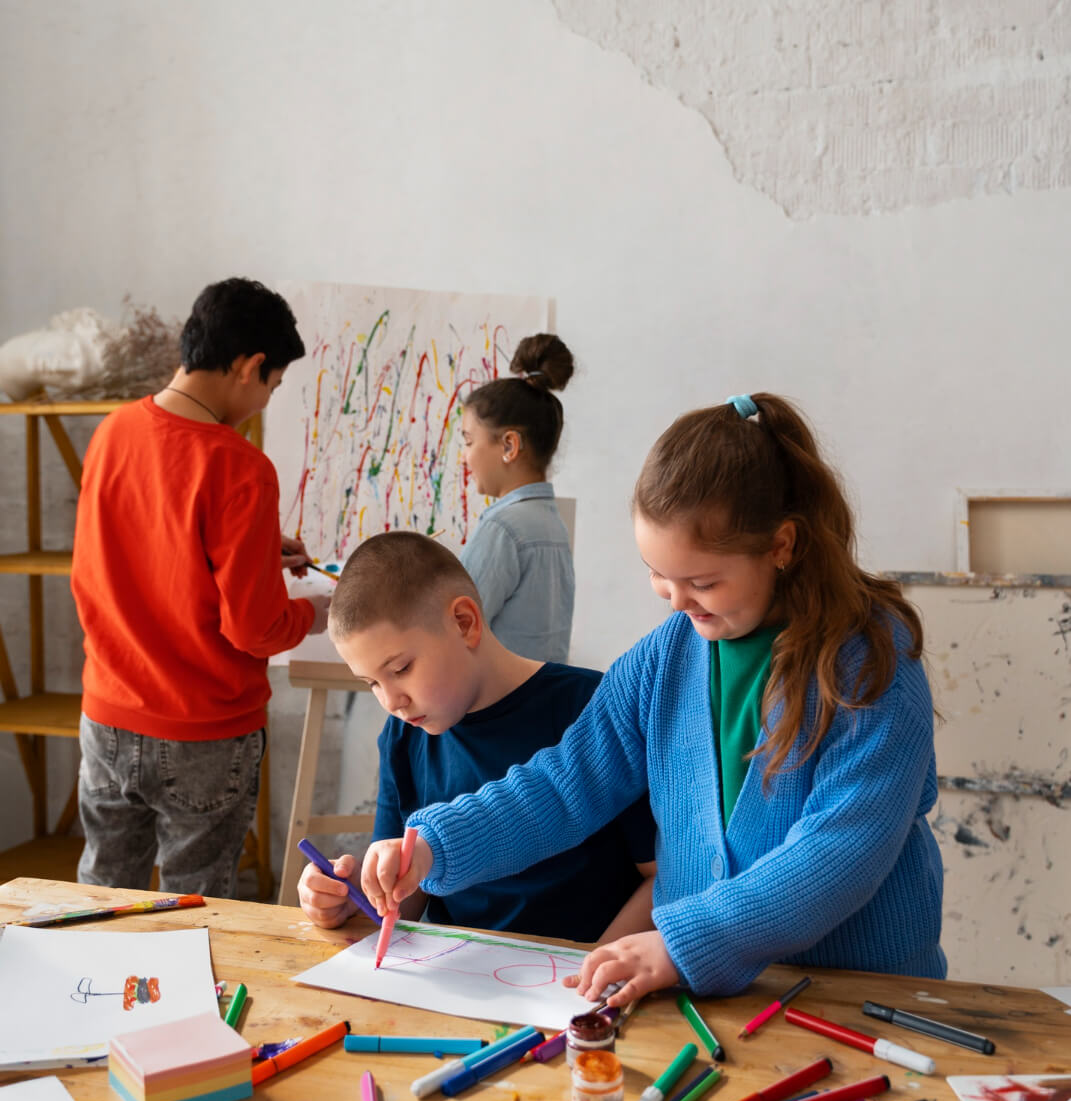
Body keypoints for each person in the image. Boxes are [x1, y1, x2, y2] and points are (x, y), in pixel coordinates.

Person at [361, 393, 946, 1004]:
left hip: (859, 996)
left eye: (702, 582)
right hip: (709, 997)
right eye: (657, 573)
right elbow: (563, 785)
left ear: (782, 546)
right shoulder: (664, 658)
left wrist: (681, 941)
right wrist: (436, 844)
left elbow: (842, 848)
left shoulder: (871, 661)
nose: (674, 599)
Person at [72, 277, 331, 897]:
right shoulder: (240, 466)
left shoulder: (112, 433)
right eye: (272, 384)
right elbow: (255, 628)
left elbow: (135, 556)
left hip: (107, 716)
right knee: (196, 909)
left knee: (101, 894)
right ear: (249, 366)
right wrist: (320, 612)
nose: (266, 400)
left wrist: (262, 552)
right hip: (204, 733)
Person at [297, 532, 655, 942]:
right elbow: (402, 898)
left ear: (464, 623)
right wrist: (349, 900)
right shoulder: (402, 735)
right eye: (371, 683)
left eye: (400, 669)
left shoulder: (595, 709)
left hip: (580, 982)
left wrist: (595, 962)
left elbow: (661, 877)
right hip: (455, 979)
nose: (391, 700)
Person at [460, 333, 576, 662]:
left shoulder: (504, 529)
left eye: (469, 441)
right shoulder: (550, 523)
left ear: (509, 446)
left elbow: (452, 629)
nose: (465, 457)